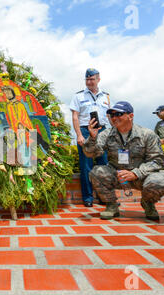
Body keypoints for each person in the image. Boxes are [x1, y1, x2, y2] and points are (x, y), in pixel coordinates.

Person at [83, 101, 164, 221]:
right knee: (96, 172)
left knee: (161, 180)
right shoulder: (106, 134)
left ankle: (148, 203)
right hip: (118, 176)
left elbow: (157, 160)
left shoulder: (147, 134)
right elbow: (91, 153)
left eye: (119, 114)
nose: (114, 117)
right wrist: (92, 138)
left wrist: (136, 173)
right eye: (112, 115)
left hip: (141, 177)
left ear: (130, 116)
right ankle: (111, 206)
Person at [69, 68, 111, 207]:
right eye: (87, 79)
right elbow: (75, 116)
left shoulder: (106, 96)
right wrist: (79, 135)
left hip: (102, 130)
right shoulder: (78, 96)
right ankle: (88, 198)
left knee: (103, 165)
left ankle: (104, 196)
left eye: (92, 79)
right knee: (86, 165)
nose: (89, 82)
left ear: (98, 79)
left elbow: (109, 117)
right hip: (85, 131)